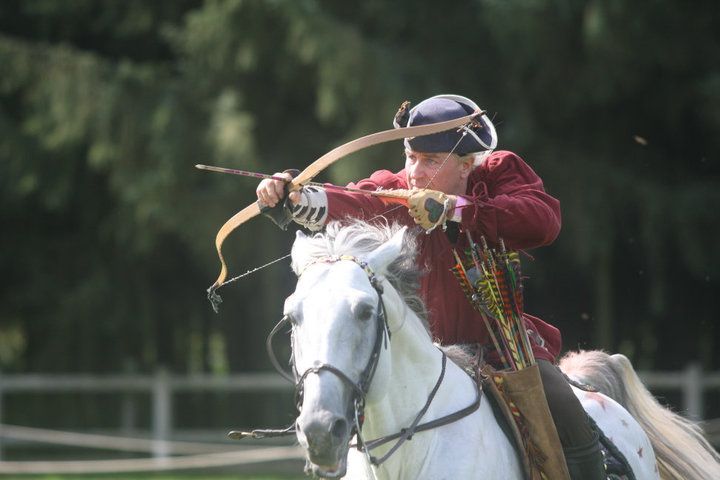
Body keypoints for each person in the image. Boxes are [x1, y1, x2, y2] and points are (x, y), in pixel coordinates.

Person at [256, 94, 605, 479]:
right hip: (422, 359)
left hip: (502, 351)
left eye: (431, 161)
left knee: (563, 406)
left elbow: (543, 220)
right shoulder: (396, 189)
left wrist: (457, 209)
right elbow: (356, 199)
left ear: (466, 164)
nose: (415, 172)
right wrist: (298, 198)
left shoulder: (499, 173)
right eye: (411, 157)